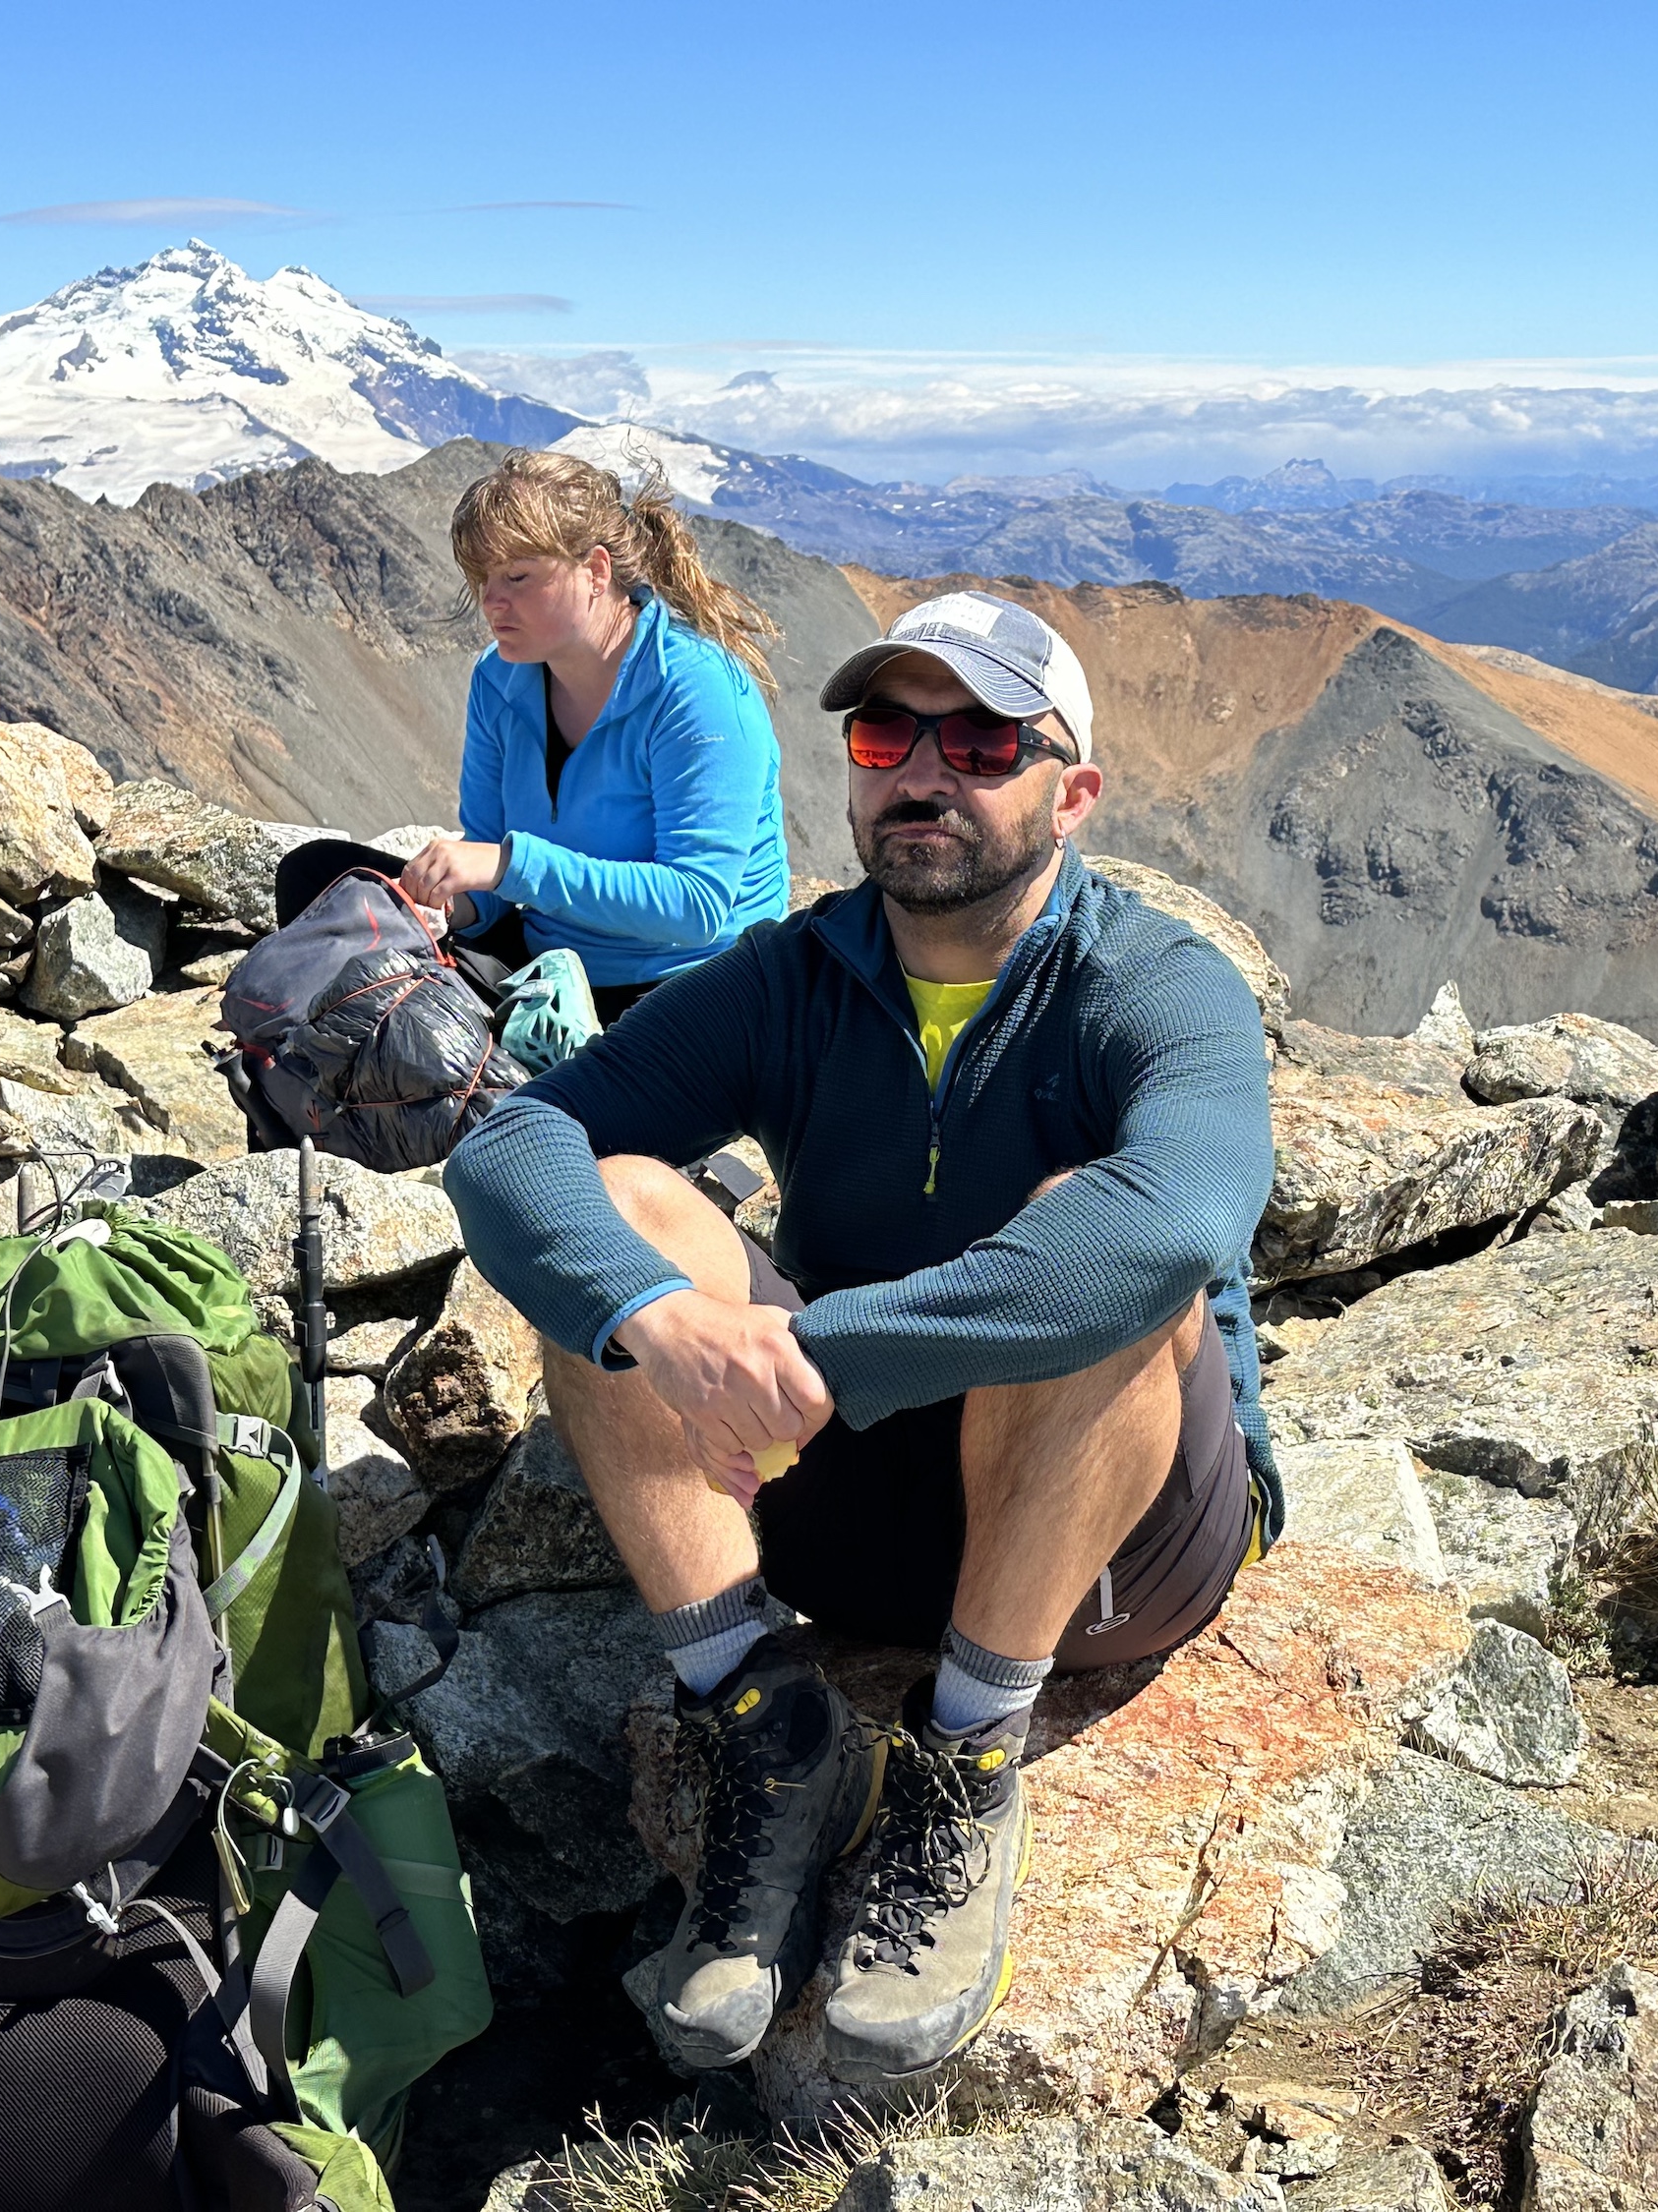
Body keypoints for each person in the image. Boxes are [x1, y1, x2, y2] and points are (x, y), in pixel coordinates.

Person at [443, 589, 1276, 2085]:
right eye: (890, 730)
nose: (924, 769)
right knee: (626, 1208)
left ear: (1069, 791)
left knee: (1097, 1230)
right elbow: (514, 1152)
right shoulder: (798, 973)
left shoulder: (1154, 984)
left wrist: (826, 1355)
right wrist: (663, 1320)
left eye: (983, 738)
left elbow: (1180, 1220)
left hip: (1110, 1544)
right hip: (842, 1512)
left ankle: (963, 1758)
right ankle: (768, 1724)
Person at [279, 450, 791, 1024]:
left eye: (518, 577)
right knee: (320, 877)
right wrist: (454, 904)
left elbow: (695, 905)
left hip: (685, 987)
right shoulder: (498, 680)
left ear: (596, 572)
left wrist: (504, 866)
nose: (492, 602)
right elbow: (492, 868)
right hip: (547, 968)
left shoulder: (699, 690)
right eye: (484, 579)